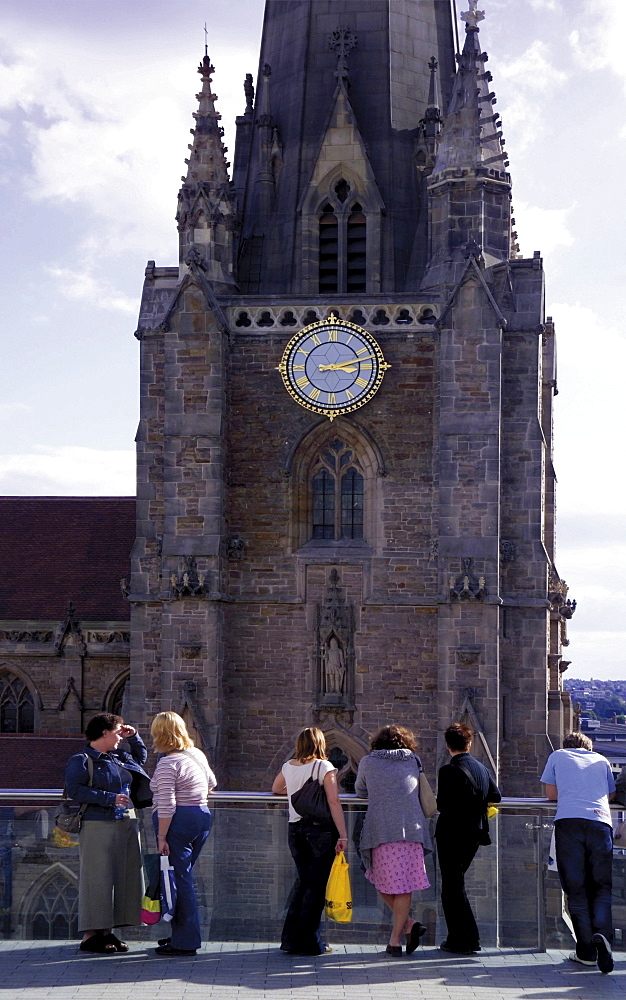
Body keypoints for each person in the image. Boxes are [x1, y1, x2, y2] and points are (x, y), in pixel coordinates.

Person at [65, 712, 151, 954]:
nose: (120, 738)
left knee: (124, 876)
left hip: (126, 821)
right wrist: (109, 798)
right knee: (97, 878)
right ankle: (91, 935)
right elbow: (74, 789)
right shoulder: (81, 760)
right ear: (104, 733)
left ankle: (108, 930)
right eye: (117, 732)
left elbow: (140, 759)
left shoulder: (118, 756)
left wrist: (134, 737)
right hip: (97, 823)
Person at [541, 731, 616, 973]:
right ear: (588, 747)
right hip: (600, 822)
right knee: (601, 887)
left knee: (576, 890)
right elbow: (610, 794)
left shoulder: (557, 756)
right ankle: (602, 936)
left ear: (567, 745)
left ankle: (586, 952)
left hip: (569, 822)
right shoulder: (601, 760)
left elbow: (551, 795)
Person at [355, 724, 431, 956]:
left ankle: (395, 940)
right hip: (411, 830)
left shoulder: (368, 762)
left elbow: (360, 791)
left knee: (381, 881)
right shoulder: (413, 761)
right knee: (403, 886)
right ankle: (407, 926)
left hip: (382, 831)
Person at [272, 726, 348, 955]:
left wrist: (296, 787)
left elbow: (276, 789)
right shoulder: (323, 766)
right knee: (315, 888)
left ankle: (291, 940)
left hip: (295, 830)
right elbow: (334, 802)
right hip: (320, 831)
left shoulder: (288, 765)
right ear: (320, 744)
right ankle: (310, 943)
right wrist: (343, 834)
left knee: (303, 884)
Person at [150, 711, 217, 957]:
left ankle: (185, 942)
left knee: (180, 880)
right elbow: (212, 783)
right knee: (183, 877)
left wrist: (161, 837)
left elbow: (167, 803)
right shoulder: (196, 755)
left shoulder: (168, 763)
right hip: (200, 817)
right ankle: (181, 934)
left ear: (160, 734)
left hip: (177, 822)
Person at [435, 722, 501, 956]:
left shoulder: (447, 771)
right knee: (456, 885)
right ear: (469, 743)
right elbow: (496, 795)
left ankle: (464, 939)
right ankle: (465, 938)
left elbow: (441, 804)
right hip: (475, 833)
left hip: (451, 834)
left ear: (447, 745)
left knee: (451, 887)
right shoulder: (482, 769)